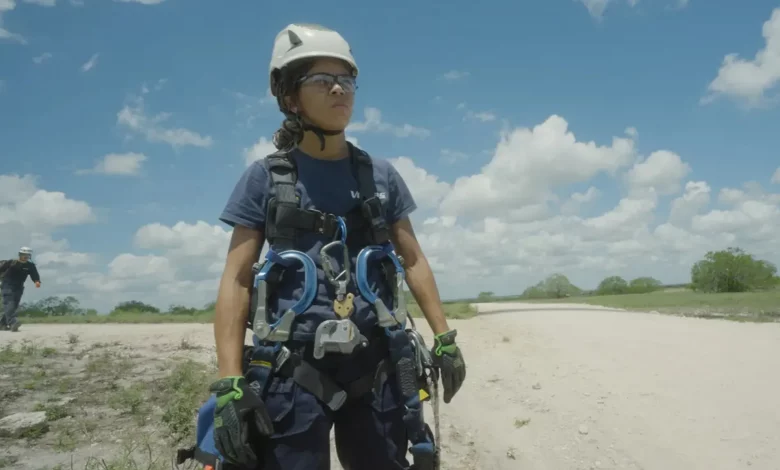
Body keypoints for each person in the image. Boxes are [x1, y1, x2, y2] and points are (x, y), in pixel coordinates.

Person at [210, 23, 467, 470]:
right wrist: (231, 381)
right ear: (290, 97)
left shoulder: (379, 176)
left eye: (346, 80)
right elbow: (236, 280)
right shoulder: (266, 178)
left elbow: (413, 259)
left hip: (378, 364)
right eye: (321, 80)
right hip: (293, 370)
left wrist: (444, 337)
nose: (338, 90)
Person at [0, 246, 41, 332]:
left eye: (27, 255)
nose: (25, 256)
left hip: (19, 286)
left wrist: (37, 281)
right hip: (7, 285)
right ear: (19, 254)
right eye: (23, 254)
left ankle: (2, 324)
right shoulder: (11, 262)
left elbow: (34, 274)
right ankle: (13, 322)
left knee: (14, 305)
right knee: (9, 303)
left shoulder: (30, 265)